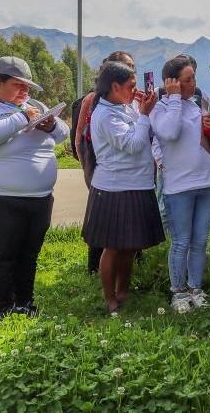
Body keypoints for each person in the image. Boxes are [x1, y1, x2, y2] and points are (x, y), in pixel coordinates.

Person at [0, 56, 69, 319]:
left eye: (28, 87)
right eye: (19, 85)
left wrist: (51, 124)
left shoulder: (35, 105)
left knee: (29, 255)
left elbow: (63, 133)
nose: (25, 92)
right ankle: (3, 309)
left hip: (40, 198)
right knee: (3, 255)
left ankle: (25, 303)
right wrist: (21, 118)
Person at [81, 61, 163, 313]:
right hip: (114, 188)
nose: (134, 90)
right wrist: (145, 115)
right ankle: (110, 297)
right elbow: (134, 144)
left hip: (137, 184)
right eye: (131, 86)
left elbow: (145, 132)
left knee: (131, 245)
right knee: (113, 246)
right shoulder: (105, 115)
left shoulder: (124, 107)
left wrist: (141, 109)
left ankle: (123, 289)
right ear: (115, 87)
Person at [150, 55, 210, 313]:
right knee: (181, 241)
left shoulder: (197, 105)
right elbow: (169, 133)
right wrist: (171, 99)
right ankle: (178, 291)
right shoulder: (159, 109)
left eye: (193, 77)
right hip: (179, 187)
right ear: (172, 83)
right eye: (187, 79)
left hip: (207, 183)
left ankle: (196, 288)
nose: (194, 83)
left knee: (200, 241)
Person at [74, 51, 136, 274]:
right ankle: (94, 267)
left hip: (132, 172)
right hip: (103, 168)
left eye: (132, 67)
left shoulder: (131, 98)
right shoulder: (93, 99)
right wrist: (88, 171)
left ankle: (132, 263)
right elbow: (80, 138)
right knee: (103, 223)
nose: (131, 71)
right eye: (126, 66)